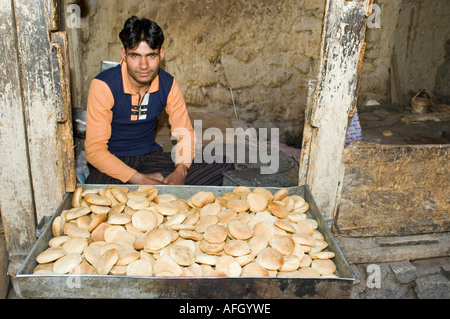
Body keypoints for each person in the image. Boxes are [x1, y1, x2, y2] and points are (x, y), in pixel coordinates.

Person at [84, 16, 233, 185]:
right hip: (115, 161)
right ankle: (157, 186)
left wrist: (181, 171)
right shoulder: (104, 85)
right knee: (97, 188)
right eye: (135, 56)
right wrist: (138, 178)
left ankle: (156, 184)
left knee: (222, 166)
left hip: (150, 158)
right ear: (123, 54)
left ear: (161, 53)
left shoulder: (168, 84)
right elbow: (95, 151)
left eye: (151, 55)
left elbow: (185, 134)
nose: (144, 65)